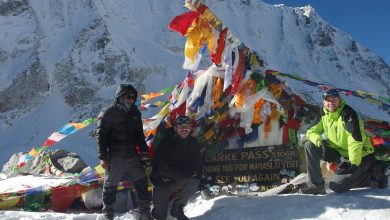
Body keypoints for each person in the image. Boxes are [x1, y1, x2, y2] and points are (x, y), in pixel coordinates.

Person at [300, 88, 388, 194]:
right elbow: (311, 131)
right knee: (310, 145)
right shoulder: (324, 114)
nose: (331, 102)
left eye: (334, 99)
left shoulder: (348, 114)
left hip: (360, 156)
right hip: (341, 154)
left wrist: (353, 163)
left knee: (336, 186)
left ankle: (373, 178)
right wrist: (322, 143)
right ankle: (317, 185)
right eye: (328, 100)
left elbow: (355, 140)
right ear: (324, 102)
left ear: (339, 100)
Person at [96, 84, 152, 220]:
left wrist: (144, 153)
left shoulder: (135, 113)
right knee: (110, 186)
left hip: (132, 157)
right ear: (120, 96)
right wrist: (103, 157)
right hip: (115, 158)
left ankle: (144, 213)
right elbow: (101, 136)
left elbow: (139, 135)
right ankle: (107, 214)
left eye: (133, 97)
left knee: (141, 182)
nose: (131, 100)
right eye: (128, 97)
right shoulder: (108, 113)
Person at [150, 115, 203, 220]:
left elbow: (196, 165)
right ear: (175, 128)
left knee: (194, 180)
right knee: (160, 216)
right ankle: (154, 207)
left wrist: (189, 173)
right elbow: (162, 168)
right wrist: (185, 173)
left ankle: (178, 207)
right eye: (181, 126)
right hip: (163, 181)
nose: (184, 129)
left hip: (179, 178)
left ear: (191, 128)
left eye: (187, 126)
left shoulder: (193, 143)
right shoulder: (166, 143)